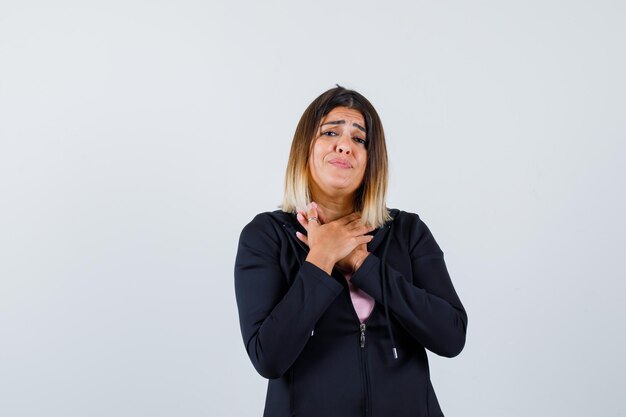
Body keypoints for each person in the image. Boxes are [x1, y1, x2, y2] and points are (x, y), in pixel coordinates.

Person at [234, 86, 467, 417]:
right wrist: (321, 258)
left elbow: (451, 337)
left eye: (359, 139)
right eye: (330, 132)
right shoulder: (266, 236)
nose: (345, 145)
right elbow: (268, 358)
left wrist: (361, 263)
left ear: (371, 160)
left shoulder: (408, 231)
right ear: (305, 148)